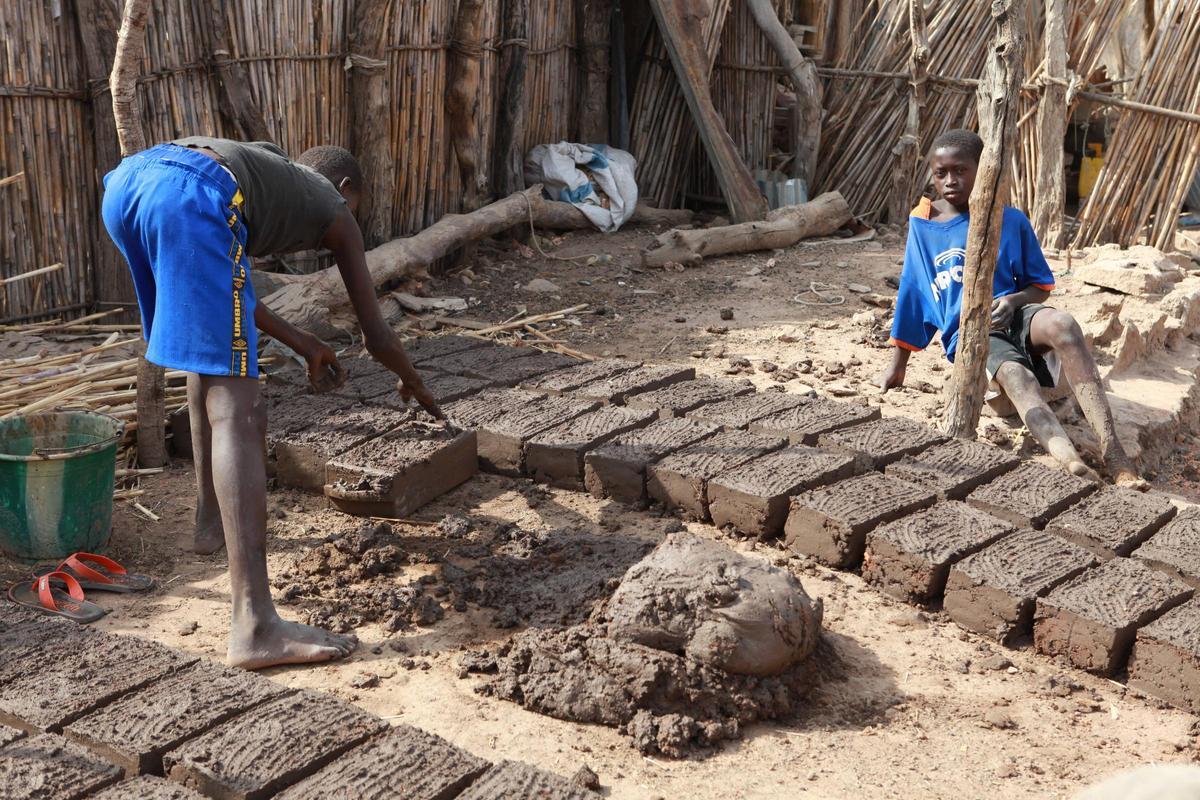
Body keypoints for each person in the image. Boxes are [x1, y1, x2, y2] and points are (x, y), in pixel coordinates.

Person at [102, 137, 443, 669]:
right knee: (241, 409)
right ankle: (255, 626)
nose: (347, 219)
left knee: (207, 359)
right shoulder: (332, 207)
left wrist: (304, 342)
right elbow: (378, 335)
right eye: (356, 205)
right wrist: (413, 381)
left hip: (128, 185)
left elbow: (229, 293)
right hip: (192, 194)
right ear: (346, 189)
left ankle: (209, 524)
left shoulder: (264, 174)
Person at [878, 128, 1143, 488]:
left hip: (1016, 313)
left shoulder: (1011, 220)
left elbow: (1039, 287)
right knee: (1020, 378)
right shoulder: (923, 226)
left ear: (982, 169)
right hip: (970, 332)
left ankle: (1116, 455)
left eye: (961, 171)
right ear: (932, 174)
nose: (950, 181)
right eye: (941, 173)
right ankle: (1070, 460)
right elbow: (913, 290)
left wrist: (1013, 300)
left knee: (1064, 325)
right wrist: (898, 364)